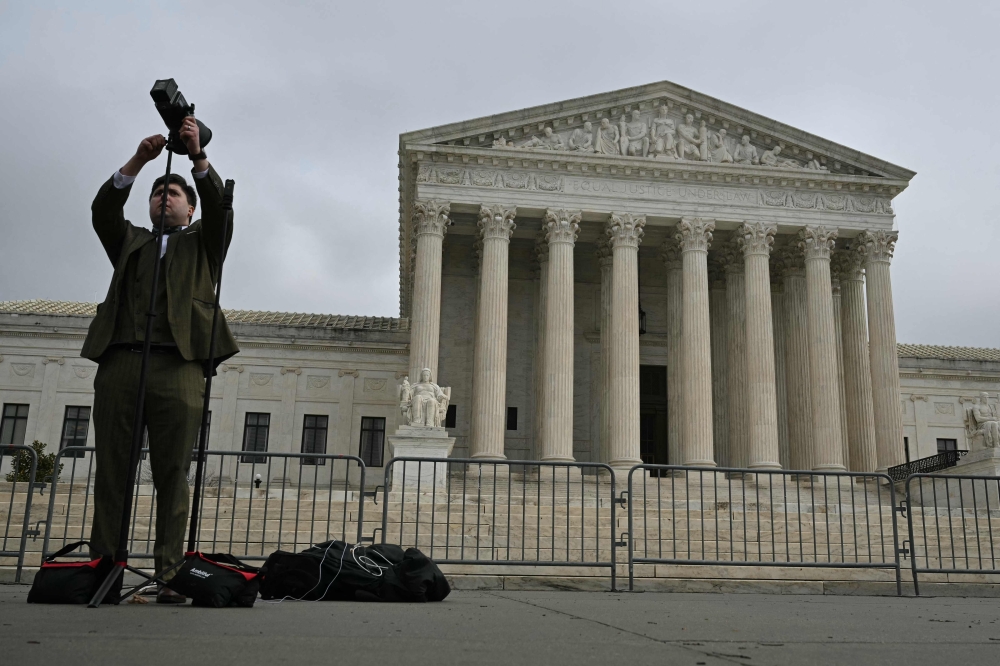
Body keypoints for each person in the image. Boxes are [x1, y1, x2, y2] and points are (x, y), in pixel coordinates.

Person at [81, 116, 239, 604]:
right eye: (157, 193)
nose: (164, 197)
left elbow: (220, 210)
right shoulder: (131, 241)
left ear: (188, 210)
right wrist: (139, 162)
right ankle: (105, 569)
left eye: (173, 194)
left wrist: (195, 158)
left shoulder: (204, 244)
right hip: (123, 363)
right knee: (112, 471)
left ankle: (170, 573)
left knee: (173, 474)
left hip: (180, 365)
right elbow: (103, 211)